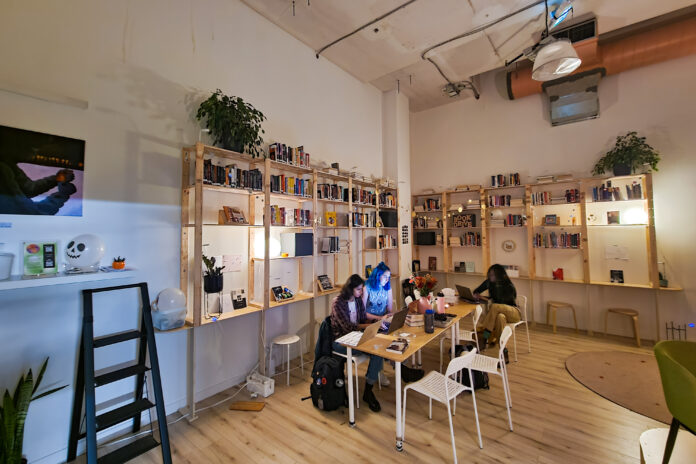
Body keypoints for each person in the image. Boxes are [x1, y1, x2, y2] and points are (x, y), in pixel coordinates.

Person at [331, 274, 423, 412]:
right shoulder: (338, 302)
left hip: (357, 337)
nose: (361, 293)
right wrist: (370, 326)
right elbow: (348, 327)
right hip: (342, 341)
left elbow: (363, 319)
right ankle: (398, 375)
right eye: (358, 290)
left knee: (380, 345)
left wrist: (379, 322)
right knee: (377, 349)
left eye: (362, 289)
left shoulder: (357, 300)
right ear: (349, 289)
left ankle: (370, 390)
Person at [363, 262, 394, 386]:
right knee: (382, 340)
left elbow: (390, 309)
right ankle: (379, 371)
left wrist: (386, 317)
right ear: (378, 276)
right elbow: (362, 313)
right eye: (385, 277)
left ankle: (398, 366)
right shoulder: (367, 288)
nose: (387, 280)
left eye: (389, 277)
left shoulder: (388, 288)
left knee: (397, 335)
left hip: (382, 321)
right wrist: (379, 318)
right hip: (369, 323)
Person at [474, 264, 520, 346]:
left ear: (499, 275)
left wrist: (489, 299)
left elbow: (504, 302)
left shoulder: (508, 285)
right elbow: (476, 291)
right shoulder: (489, 283)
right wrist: (478, 295)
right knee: (500, 318)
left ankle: (484, 336)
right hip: (499, 313)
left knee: (495, 306)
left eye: (493, 275)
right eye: (489, 274)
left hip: (513, 312)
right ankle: (503, 350)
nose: (490, 276)